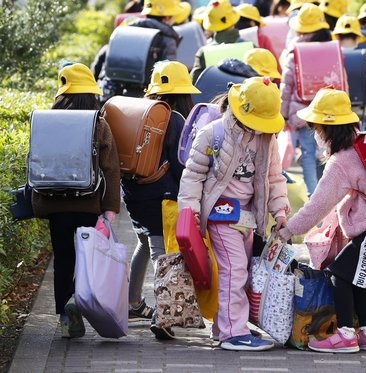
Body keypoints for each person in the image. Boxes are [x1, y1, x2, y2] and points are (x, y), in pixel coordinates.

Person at [278, 88, 366, 353]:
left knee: (339, 273)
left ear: (326, 130)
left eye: (316, 128)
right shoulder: (365, 144)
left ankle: (345, 335)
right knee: (353, 276)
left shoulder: (341, 161)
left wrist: (289, 230)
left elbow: (317, 206)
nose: (315, 134)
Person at [178, 77, 289, 351]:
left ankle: (225, 325)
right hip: (220, 215)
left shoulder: (267, 139)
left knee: (241, 272)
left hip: (249, 217)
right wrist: (190, 211)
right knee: (233, 270)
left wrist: (280, 211)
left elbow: (274, 178)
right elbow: (192, 176)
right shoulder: (212, 133)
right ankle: (232, 333)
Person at [31, 63, 121, 339]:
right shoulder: (98, 123)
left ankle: (64, 317)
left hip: (54, 201)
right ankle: (76, 300)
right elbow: (111, 168)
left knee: (63, 259)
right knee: (87, 258)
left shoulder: (44, 120)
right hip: (88, 202)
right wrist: (111, 207)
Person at [123, 61, 200, 340]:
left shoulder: (137, 112)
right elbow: (182, 165)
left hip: (133, 194)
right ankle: (163, 316)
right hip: (161, 196)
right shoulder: (175, 119)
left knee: (143, 243)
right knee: (162, 255)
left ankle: (132, 302)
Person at [280, 3, 332, 195]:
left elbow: (287, 87)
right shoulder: (333, 48)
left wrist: (283, 114)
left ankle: (312, 195)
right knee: (329, 153)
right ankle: (328, 195)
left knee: (309, 154)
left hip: (303, 112)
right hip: (329, 110)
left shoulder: (295, 52)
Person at [332, 15, 366, 124]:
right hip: (361, 110)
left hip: (336, 110)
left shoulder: (333, 56)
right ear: (358, 37)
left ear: (338, 36)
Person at [190, 0, 246, 84]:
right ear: (233, 18)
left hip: (212, 97)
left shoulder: (203, 53)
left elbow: (194, 84)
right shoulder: (250, 47)